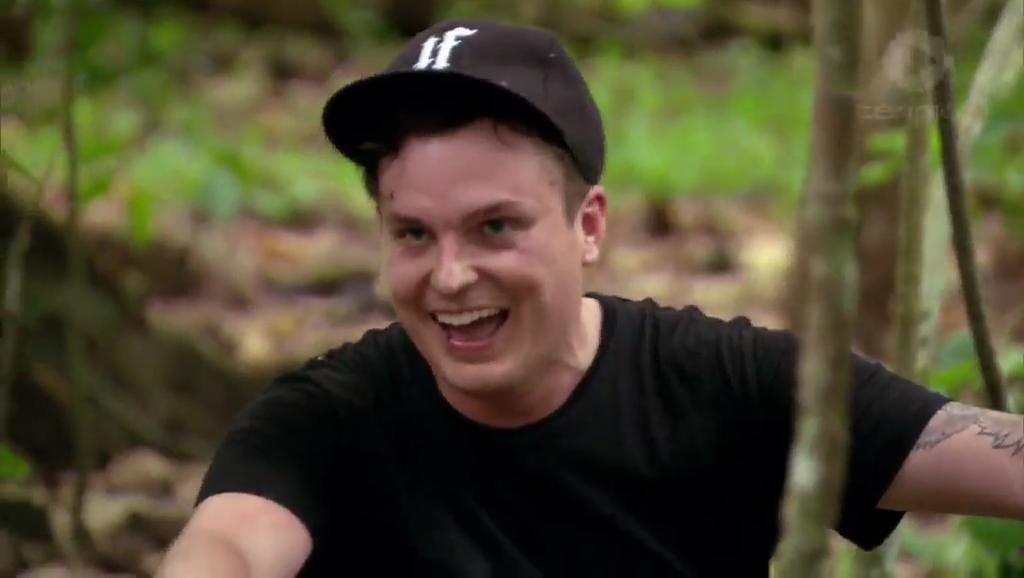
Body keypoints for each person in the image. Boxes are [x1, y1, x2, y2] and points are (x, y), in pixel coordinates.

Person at [158, 19, 1024, 578]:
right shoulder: (328, 417)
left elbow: (991, 455)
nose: (450, 276)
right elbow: (230, 544)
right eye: (414, 234)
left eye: (496, 228)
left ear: (589, 225)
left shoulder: (722, 381)